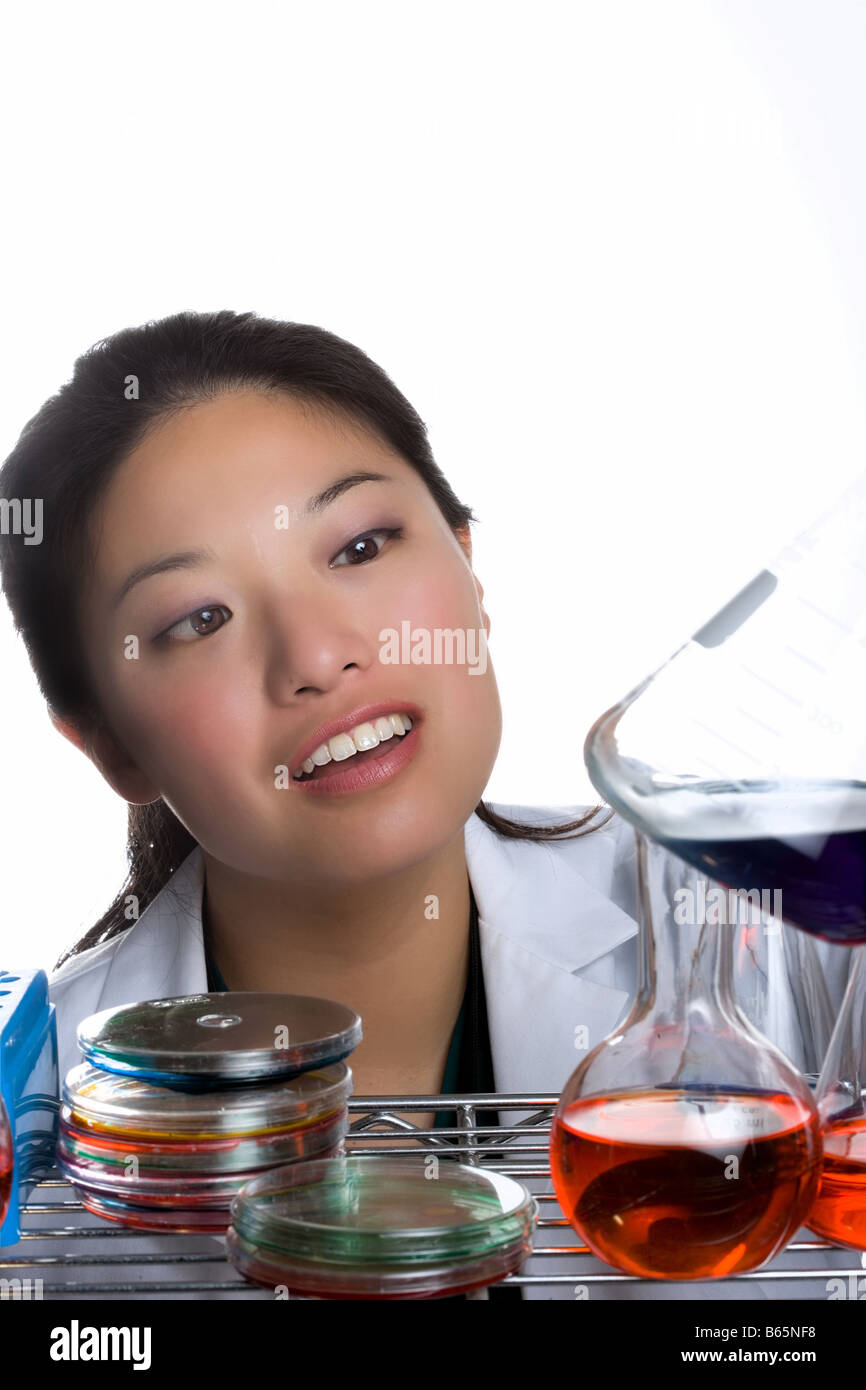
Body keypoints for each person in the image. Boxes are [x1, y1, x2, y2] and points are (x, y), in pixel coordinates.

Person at [0, 311, 850, 1301]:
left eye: (359, 545)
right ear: (105, 741)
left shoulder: (780, 932)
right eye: (199, 619)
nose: (319, 657)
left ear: (466, 563)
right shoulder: (40, 1115)